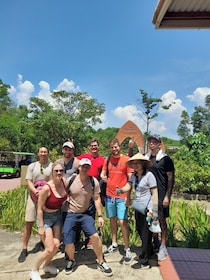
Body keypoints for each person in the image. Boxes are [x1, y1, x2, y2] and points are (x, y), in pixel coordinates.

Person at [62, 158, 113, 277]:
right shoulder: (71, 180)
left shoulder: (93, 181)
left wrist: (100, 215)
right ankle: (71, 260)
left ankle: (101, 261)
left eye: (87, 166)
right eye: (83, 166)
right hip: (71, 213)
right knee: (68, 239)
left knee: (94, 236)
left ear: (89, 168)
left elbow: (96, 198)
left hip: (85, 214)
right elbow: (62, 194)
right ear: (79, 167)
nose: (85, 168)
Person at [116, 153, 158, 269]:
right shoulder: (134, 176)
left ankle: (144, 260)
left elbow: (154, 193)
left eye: (138, 163)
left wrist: (153, 210)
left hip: (147, 209)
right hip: (138, 207)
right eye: (134, 163)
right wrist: (121, 190)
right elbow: (128, 186)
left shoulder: (149, 176)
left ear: (143, 163)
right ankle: (150, 252)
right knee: (140, 231)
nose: (135, 165)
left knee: (145, 234)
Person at [30, 162, 67, 280]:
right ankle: (34, 269)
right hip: (45, 218)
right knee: (49, 248)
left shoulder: (64, 182)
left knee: (56, 245)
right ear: (52, 172)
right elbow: (39, 209)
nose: (59, 173)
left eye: (61, 170)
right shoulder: (47, 188)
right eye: (56, 171)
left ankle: (47, 265)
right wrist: (41, 226)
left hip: (57, 216)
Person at [100, 138, 133, 265]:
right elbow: (103, 173)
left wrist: (128, 196)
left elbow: (130, 180)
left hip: (122, 196)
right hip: (109, 195)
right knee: (112, 219)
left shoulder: (126, 160)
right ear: (110, 148)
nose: (114, 149)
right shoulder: (107, 160)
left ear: (120, 146)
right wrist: (104, 178)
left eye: (116, 147)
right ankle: (114, 243)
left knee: (122, 221)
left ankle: (126, 248)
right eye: (112, 147)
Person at [18, 147, 52, 263]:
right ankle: (24, 248)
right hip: (33, 198)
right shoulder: (32, 166)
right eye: (41, 152)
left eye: (45, 152)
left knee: (45, 223)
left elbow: (52, 182)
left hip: (46, 199)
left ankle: (45, 245)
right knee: (29, 222)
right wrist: (35, 191)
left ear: (48, 153)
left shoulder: (51, 166)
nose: (43, 154)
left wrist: (44, 194)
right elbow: (28, 181)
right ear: (38, 153)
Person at [145, 134, 175, 261]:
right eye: (150, 141)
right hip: (149, 194)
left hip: (161, 194)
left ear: (159, 144)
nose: (151, 143)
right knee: (151, 219)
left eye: (154, 142)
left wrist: (167, 196)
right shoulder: (146, 158)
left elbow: (170, 179)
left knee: (162, 220)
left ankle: (163, 246)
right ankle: (155, 243)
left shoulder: (165, 159)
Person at [77, 139, 105, 246]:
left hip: (94, 188)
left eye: (96, 146)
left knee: (91, 213)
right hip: (82, 187)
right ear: (89, 147)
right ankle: (78, 236)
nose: (94, 147)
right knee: (79, 211)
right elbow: (74, 162)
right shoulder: (83, 157)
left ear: (98, 147)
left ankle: (89, 237)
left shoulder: (102, 160)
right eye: (92, 146)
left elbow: (103, 174)